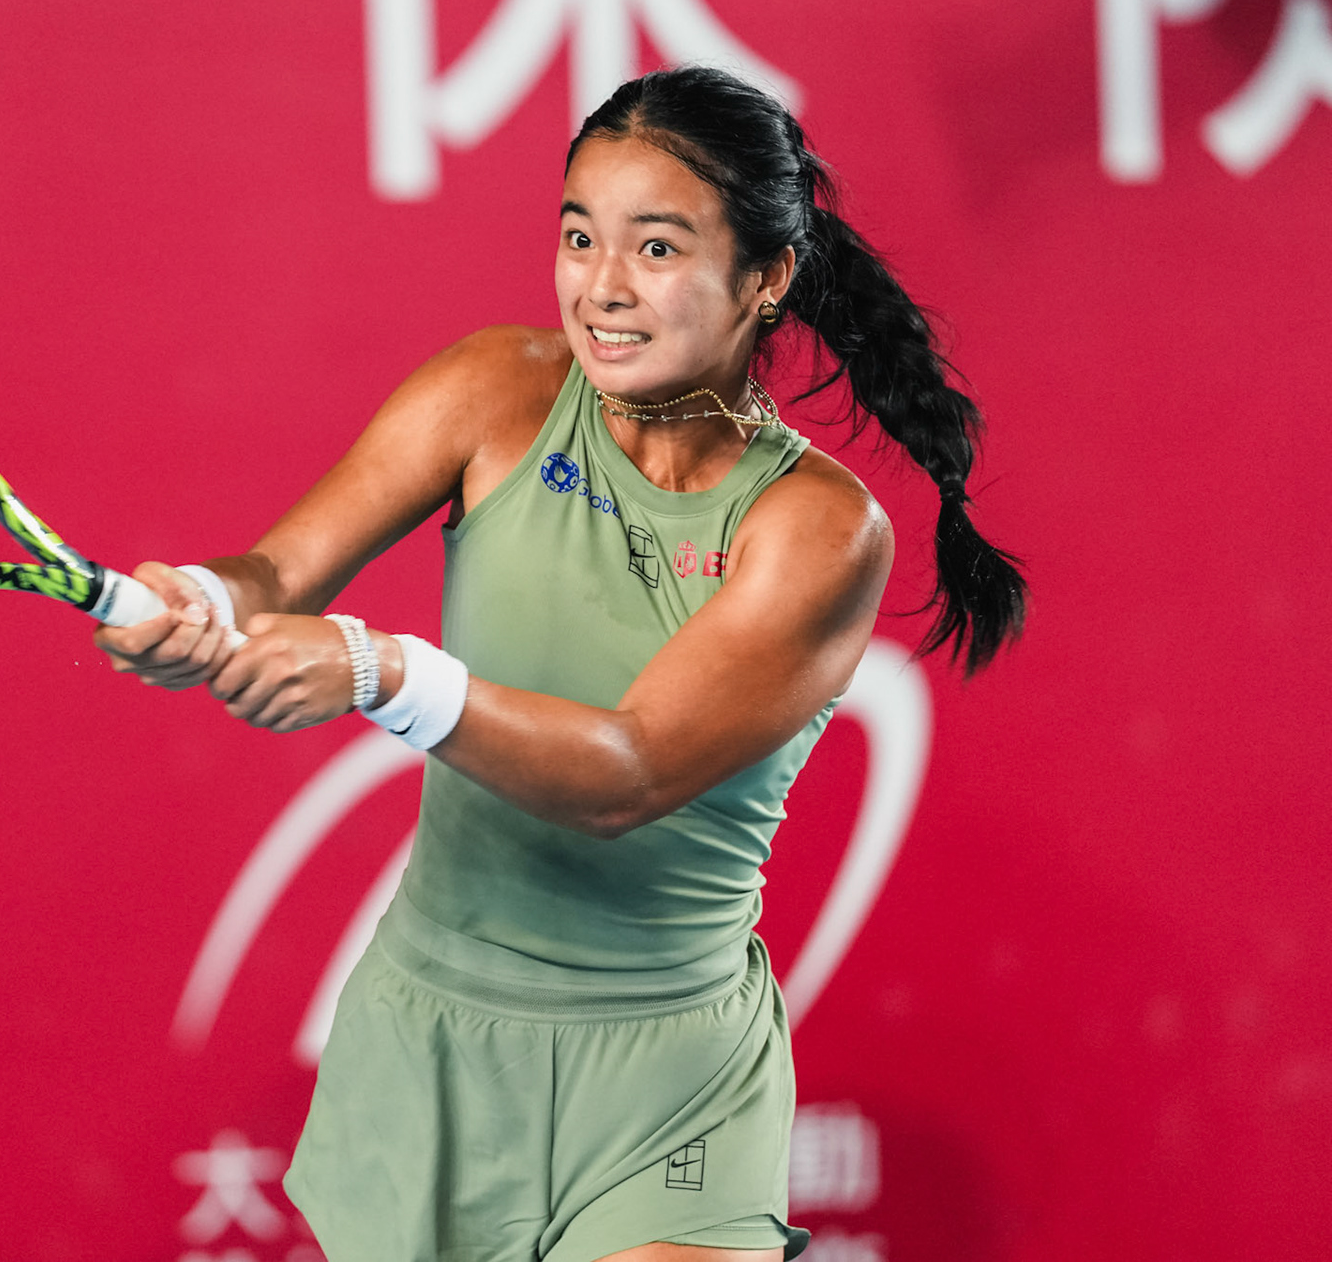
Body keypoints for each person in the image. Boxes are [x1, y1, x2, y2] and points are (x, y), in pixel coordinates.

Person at [97, 66, 1024, 1262]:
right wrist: (206, 604)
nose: (602, 287)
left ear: (767, 276)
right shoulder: (494, 390)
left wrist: (382, 672)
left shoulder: (818, 529)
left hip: (667, 1082)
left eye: (656, 248)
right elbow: (279, 576)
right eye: (580, 236)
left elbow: (625, 773)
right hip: (428, 1038)